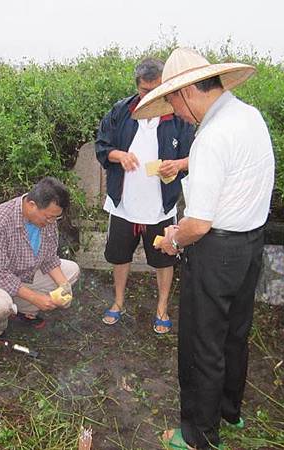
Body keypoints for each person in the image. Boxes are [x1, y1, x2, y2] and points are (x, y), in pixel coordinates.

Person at [133, 48, 275, 449]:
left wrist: (173, 237)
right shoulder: (248, 116)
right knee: (235, 334)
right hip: (249, 245)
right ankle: (230, 411)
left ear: (190, 92)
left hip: (215, 252)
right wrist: (183, 166)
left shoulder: (211, 136)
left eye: (173, 100)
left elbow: (198, 224)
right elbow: (234, 174)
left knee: (203, 344)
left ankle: (198, 434)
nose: (174, 111)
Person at [95, 58, 195, 334]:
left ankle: (162, 308)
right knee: (119, 256)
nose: (150, 96)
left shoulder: (178, 116)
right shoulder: (121, 111)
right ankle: (118, 302)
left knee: (164, 259)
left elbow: (195, 156)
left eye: (157, 90)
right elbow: (102, 146)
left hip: (161, 207)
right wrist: (120, 156)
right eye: (144, 91)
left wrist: (177, 165)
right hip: (123, 205)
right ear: (137, 86)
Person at [0, 177, 80, 337]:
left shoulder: (47, 219)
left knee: (71, 271)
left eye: (56, 217)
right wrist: (36, 298)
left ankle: (20, 308)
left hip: (22, 272)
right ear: (32, 205)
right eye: (49, 217)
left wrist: (64, 286)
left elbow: (49, 258)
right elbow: (0, 274)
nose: (52, 221)